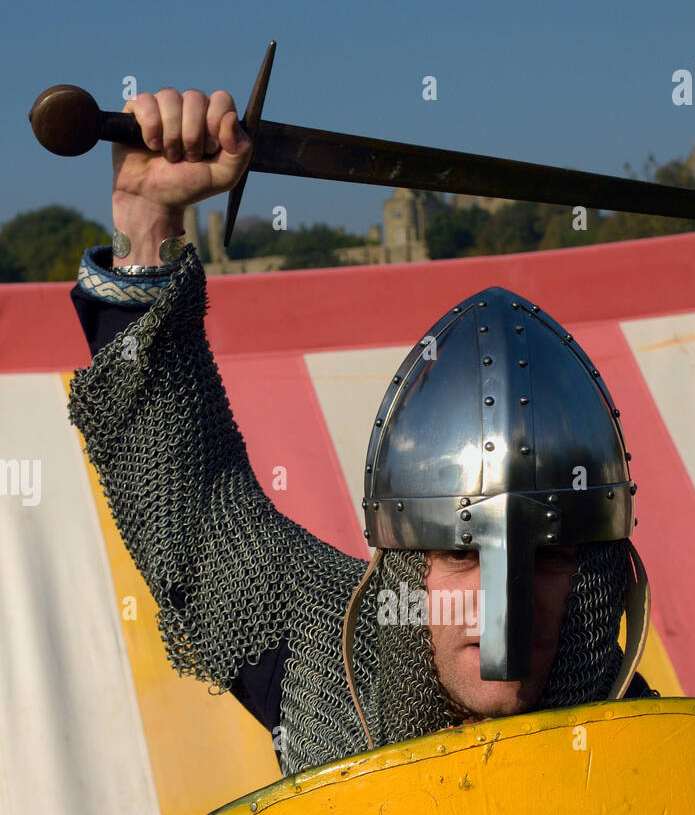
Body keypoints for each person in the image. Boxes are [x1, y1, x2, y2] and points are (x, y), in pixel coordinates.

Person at [68, 87, 658, 779]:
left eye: (550, 556)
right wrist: (146, 220)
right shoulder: (328, 667)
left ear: (602, 576)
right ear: (405, 565)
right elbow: (188, 507)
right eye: (462, 553)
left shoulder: (667, 767)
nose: (502, 600)